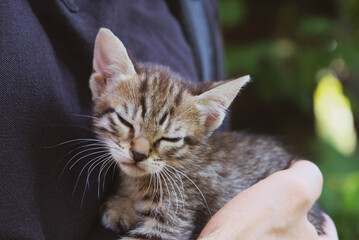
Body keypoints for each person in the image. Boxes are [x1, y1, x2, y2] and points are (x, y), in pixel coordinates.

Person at [0, 1, 337, 239]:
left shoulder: (194, 9)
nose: (140, 151)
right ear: (103, 80)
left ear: (209, 120)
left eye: (167, 139)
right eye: (127, 126)